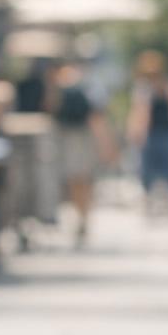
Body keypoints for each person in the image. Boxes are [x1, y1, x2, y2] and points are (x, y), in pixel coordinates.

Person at [46, 61, 117, 247]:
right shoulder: (89, 87)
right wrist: (107, 146)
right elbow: (98, 118)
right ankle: (83, 216)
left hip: (71, 139)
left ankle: (81, 216)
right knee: (83, 179)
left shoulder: (62, 87)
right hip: (84, 139)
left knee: (76, 179)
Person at [126, 50, 168, 216]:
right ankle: (148, 201)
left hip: (165, 132)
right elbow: (138, 112)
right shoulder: (141, 88)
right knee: (146, 170)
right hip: (149, 134)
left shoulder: (167, 86)